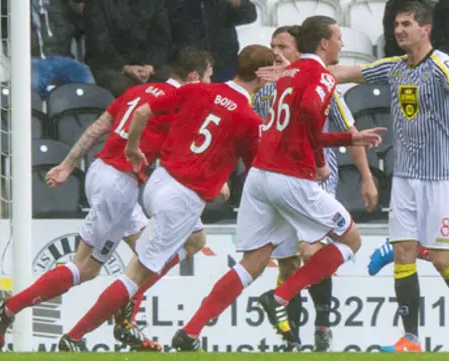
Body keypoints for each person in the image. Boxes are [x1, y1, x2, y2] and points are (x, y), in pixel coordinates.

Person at [167, 15, 385, 352]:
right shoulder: (320, 76)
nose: (342, 43)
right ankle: (280, 297)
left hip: (260, 176)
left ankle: (191, 331)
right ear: (324, 43)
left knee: (252, 264)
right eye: (339, 37)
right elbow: (312, 112)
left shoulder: (285, 77)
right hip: (290, 177)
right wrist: (325, 154)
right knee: (351, 239)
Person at [0, 47, 214, 352]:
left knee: (186, 242)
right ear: (194, 76)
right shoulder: (177, 104)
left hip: (103, 173)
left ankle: (126, 322)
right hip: (119, 185)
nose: (210, 84)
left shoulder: (140, 91)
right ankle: (10, 310)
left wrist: (67, 165)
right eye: (209, 77)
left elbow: (97, 128)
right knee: (86, 268)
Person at [53, 44, 274, 352]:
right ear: (262, 78)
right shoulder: (250, 119)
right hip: (183, 198)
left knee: (197, 240)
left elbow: (144, 111)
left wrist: (133, 147)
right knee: (136, 276)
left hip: (158, 181)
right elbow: (254, 168)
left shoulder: (199, 91)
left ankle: (130, 295)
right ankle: (75, 337)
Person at [326, 1, 449, 352]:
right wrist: (302, 70)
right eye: (397, 24)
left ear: (425, 28)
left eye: (406, 24)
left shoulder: (442, 63)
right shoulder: (395, 67)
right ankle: (411, 339)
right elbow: (350, 72)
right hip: (404, 176)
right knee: (403, 252)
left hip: (441, 177)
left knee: (442, 259)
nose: (399, 30)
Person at [252, 24, 379, 352]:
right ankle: (290, 337)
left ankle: (322, 326)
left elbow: (348, 130)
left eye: (283, 45)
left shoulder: (321, 84)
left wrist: (366, 176)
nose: (276, 51)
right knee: (288, 261)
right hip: (281, 177)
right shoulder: (266, 89)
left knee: (312, 252)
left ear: (299, 49)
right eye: (272, 45)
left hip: (317, 177)